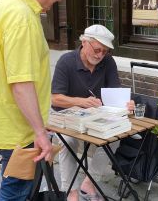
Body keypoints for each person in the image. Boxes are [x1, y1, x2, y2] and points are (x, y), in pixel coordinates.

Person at [0, 0, 69, 201]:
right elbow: (21, 83)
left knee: (15, 186)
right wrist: (40, 132)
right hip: (18, 129)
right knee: (17, 192)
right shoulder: (23, 17)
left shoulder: (1, 4)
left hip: (2, 122)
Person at [51, 24, 134, 201]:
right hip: (66, 116)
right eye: (97, 49)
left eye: (105, 51)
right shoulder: (66, 61)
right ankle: (71, 192)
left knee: (116, 135)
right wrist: (81, 102)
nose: (100, 55)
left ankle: (89, 183)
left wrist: (125, 103)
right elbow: (55, 98)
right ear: (84, 42)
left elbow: (115, 90)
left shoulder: (107, 62)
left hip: (96, 116)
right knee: (67, 141)